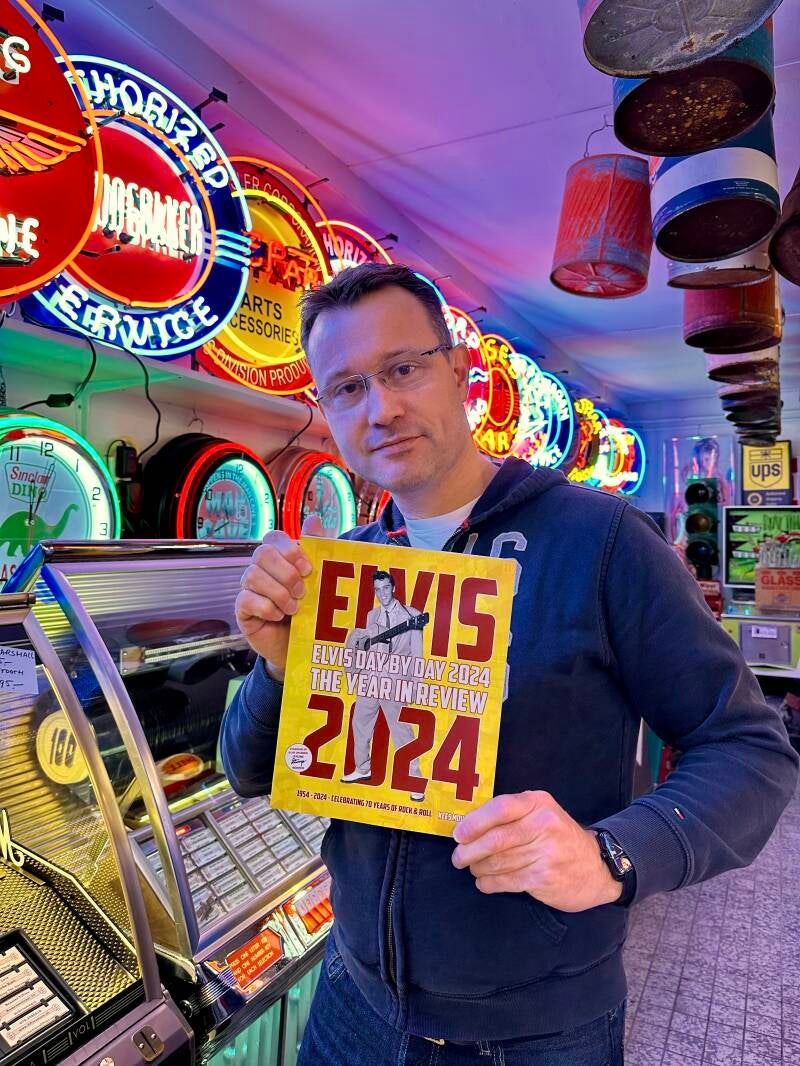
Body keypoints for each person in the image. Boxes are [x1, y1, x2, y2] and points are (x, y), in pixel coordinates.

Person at [221, 263, 799, 1065]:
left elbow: (750, 750)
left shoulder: (601, 540)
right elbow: (248, 772)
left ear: (459, 371)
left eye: (403, 369)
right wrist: (278, 669)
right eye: (347, 387)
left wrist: (613, 856)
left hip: (537, 1031)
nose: (381, 408)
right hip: (352, 1003)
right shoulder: (347, 567)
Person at [343, 570, 426, 800]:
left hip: (394, 683)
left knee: (402, 732)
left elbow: (417, 655)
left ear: (394, 588)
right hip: (370, 679)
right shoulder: (372, 615)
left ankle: (414, 780)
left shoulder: (412, 615)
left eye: (386, 588)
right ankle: (362, 768)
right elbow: (368, 645)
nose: (383, 594)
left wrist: (415, 686)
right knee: (359, 723)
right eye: (378, 590)